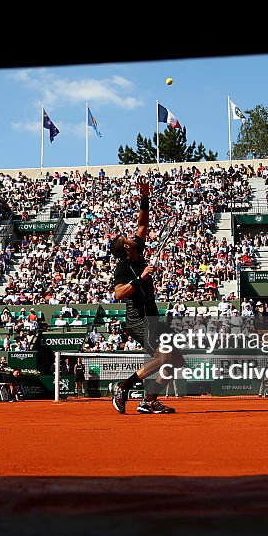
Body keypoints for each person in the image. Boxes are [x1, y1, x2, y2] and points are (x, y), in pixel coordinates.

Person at [108, 177, 185, 414]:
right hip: (138, 319)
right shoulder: (123, 267)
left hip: (152, 316)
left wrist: (144, 197)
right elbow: (118, 294)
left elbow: (143, 224)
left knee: (177, 361)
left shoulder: (137, 250)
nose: (131, 235)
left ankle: (149, 400)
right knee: (164, 357)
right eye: (127, 238)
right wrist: (140, 277)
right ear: (126, 247)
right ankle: (123, 387)